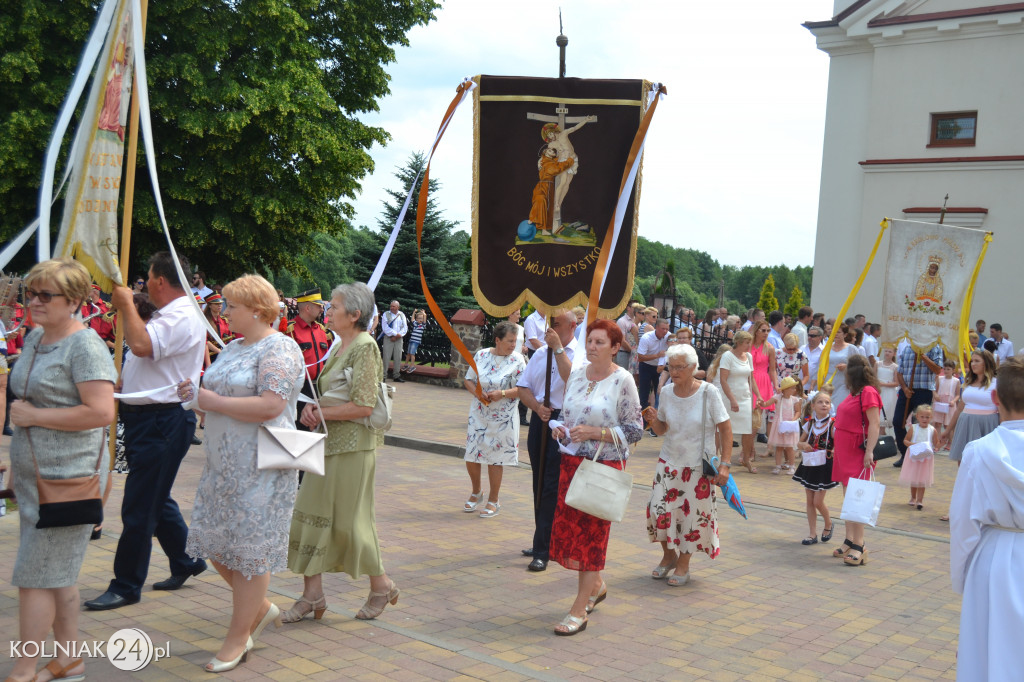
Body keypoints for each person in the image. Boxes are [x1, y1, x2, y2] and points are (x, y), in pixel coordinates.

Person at [182, 275, 304, 673]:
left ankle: (238, 638)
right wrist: (197, 400)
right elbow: (218, 397)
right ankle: (261, 607)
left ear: (257, 309)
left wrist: (211, 400)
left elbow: (271, 405)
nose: (224, 310)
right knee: (216, 543)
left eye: (231, 305)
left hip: (260, 467)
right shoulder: (233, 346)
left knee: (249, 553)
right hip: (222, 463)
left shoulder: (280, 347)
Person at [5, 259, 117, 682]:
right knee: (56, 576)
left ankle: (24, 668)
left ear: (73, 301)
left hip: (69, 478)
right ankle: (69, 659)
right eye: (30, 293)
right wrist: (17, 468)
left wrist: (33, 418)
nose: (33, 302)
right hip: (36, 476)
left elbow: (101, 412)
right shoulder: (36, 338)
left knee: (34, 575)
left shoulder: (85, 346)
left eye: (44, 295)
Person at [85, 251, 207, 611]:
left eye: (149, 277)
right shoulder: (171, 314)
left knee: (139, 507)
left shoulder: (182, 314)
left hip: (163, 420)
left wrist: (125, 305)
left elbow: (141, 345)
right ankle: (187, 560)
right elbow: (143, 356)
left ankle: (126, 585)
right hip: (148, 418)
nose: (146, 283)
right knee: (155, 496)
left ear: (160, 281)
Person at [285, 282, 398, 623]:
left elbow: (364, 406)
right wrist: (312, 410)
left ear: (355, 315)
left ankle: (381, 584)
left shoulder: (364, 347)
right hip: (327, 444)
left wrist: (321, 413)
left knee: (351, 523)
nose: (327, 310)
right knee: (307, 516)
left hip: (353, 448)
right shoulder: (339, 344)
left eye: (333, 306)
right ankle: (312, 595)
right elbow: (330, 397)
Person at [548, 319, 642, 635]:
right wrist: (561, 430)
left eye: (600, 342)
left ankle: (578, 610)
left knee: (591, 538)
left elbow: (635, 430)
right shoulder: (576, 375)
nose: (591, 346)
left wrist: (595, 433)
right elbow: (568, 416)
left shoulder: (623, 380)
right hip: (571, 464)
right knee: (573, 536)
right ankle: (596, 586)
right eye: (590, 340)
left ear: (616, 348)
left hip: (603, 468)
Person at [949, 357, 1024, 682]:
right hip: (998, 551)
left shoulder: (979, 452)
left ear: (995, 398)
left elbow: (963, 523)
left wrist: (962, 576)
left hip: (996, 557)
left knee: (989, 652)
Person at [643, 343, 731, 588]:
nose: (674, 371)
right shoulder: (668, 392)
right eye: (671, 366)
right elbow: (662, 429)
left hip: (697, 466)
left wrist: (725, 464)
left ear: (693, 368)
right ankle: (669, 555)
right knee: (657, 511)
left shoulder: (708, 393)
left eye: (680, 367)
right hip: (669, 461)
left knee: (691, 518)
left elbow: (725, 427)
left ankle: (684, 563)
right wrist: (652, 420)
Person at [517, 310, 578, 571]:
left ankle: (543, 548)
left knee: (553, 484)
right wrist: (536, 407)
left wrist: (559, 349)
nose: (549, 329)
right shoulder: (540, 354)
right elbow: (523, 387)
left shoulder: (580, 355)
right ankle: (542, 536)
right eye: (548, 324)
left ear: (572, 326)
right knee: (539, 480)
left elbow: (572, 381)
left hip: (563, 423)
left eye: (555, 324)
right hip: (540, 421)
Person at [462, 321, 527, 518]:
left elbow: (524, 389)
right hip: (479, 414)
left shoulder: (518, 360)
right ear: (497, 340)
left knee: (495, 459)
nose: (513, 345)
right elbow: (468, 379)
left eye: (515, 341)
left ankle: (494, 499)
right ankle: (476, 492)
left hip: (504, 417)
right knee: (472, 454)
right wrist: (478, 394)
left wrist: (504, 393)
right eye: (509, 341)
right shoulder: (481, 355)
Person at [830, 354, 881, 566]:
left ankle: (860, 544)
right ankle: (850, 538)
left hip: (856, 451)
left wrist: (869, 451)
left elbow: (874, 424)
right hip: (844, 450)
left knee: (857, 498)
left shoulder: (868, 392)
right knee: (848, 497)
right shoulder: (855, 393)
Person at [793, 392, 838, 545]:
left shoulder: (833, 424)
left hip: (825, 465)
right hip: (811, 463)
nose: (824, 404)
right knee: (809, 500)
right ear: (813, 406)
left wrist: (833, 450)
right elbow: (799, 443)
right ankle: (812, 534)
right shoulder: (810, 424)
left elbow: (839, 443)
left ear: (831, 406)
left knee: (818, 501)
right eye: (820, 402)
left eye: (827, 402)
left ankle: (829, 523)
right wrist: (804, 445)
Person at [286, 289, 334, 430]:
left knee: (321, 427)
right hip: (301, 388)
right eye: (318, 305)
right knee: (303, 427)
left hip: (321, 387)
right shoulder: (290, 330)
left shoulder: (322, 330)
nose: (321, 309)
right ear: (308, 307)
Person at [892, 342, 943, 468]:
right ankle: (905, 454)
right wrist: (904, 388)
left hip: (923, 391)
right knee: (898, 421)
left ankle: (919, 455)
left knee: (919, 426)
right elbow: (900, 372)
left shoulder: (934, 348)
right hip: (907, 390)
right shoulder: (907, 348)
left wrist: (923, 356)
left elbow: (937, 369)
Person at [942, 350, 999, 464]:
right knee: (963, 462)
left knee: (984, 463)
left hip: (987, 425)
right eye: (972, 361)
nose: (973, 364)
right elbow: (959, 409)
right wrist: (947, 431)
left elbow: (1002, 409)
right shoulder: (968, 382)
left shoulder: (997, 383)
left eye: (977, 361)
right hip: (966, 424)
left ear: (986, 363)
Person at [719, 331, 763, 474]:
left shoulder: (748, 357)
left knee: (748, 431)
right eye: (747, 342)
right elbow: (723, 380)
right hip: (729, 398)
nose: (749, 345)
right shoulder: (727, 356)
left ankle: (746, 459)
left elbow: (751, 378)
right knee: (725, 430)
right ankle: (723, 459)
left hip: (745, 398)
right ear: (738, 342)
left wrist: (758, 395)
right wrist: (732, 399)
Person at [899, 404, 937, 512]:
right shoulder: (913, 428)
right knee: (914, 478)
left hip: (926, 459)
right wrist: (913, 444)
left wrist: (938, 445)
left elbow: (936, 443)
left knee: (922, 479)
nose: (925, 419)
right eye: (922, 417)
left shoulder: (932, 430)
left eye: (927, 417)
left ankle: (920, 500)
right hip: (914, 457)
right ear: (917, 416)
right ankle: (913, 497)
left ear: (931, 417)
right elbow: (905, 440)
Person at [762, 376, 803, 474]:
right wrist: (761, 403)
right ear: (786, 389)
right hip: (779, 425)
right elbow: (766, 404)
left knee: (789, 447)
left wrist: (792, 420)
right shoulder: (777, 397)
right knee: (779, 447)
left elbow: (798, 411)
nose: (794, 389)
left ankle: (792, 466)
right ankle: (777, 466)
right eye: (792, 387)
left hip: (789, 425)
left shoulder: (795, 400)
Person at [750, 321, 777, 443]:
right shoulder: (748, 345)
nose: (766, 333)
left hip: (762, 381)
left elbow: (772, 370)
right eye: (763, 330)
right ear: (756, 331)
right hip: (748, 379)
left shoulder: (770, 348)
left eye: (768, 331)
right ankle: (749, 449)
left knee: (756, 416)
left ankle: (747, 450)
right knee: (747, 416)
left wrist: (775, 385)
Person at [636, 318, 671, 413]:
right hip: (646, 366)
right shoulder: (646, 338)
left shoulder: (669, 336)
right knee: (644, 392)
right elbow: (640, 357)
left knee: (659, 392)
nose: (665, 331)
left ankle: (658, 417)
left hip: (660, 368)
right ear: (656, 327)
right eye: (663, 329)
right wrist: (657, 355)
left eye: (667, 329)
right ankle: (642, 417)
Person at [822, 324, 856, 406]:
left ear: (845, 334)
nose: (836, 334)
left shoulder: (851, 348)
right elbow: (820, 365)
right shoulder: (827, 347)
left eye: (839, 332)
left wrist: (847, 366)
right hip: (828, 383)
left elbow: (860, 365)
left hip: (843, 383)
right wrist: (813, 383)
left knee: (840, 406)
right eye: (834, 332)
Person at [932, 358, 960, 444]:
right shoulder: (939, 379)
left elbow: (958, 394)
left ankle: (950, 443)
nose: (946, 371)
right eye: (945, 369)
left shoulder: (956, 381)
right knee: (938, 423)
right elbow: (934, 389)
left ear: (953, 370)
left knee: (948, 425)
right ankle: (938, 442)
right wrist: (935, 395)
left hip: (949, 404)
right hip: (939, 403)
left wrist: (953, 401)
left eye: (948, 369)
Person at [381, 300, 407, 382]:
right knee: (386, 357)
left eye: (393, 306)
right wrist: (396, 334)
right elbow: (385, 328)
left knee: (398, 357)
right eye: (391, 306)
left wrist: (398, 336)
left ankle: (396, 376)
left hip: (399, 339)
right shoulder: (386, 314)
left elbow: (405, 327)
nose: (391, 308)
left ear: (398, 307)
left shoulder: (402, 315)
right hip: (389, 338)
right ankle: (383, 376)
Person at [875, 347, 899, 432]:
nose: (887, 353)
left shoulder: (895, 367)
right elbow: (873, 377)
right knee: (876, 415)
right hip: (878, 391)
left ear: (894, 354)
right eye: (886, 351)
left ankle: (882, 436)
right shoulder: (877, 364)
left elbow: (896, 383)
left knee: (885, 416)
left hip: (889, 393)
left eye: (890, 351)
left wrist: (884, 384)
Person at [203, 292, 231, 362]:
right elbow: (204, 341)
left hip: (224, 354)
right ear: (209, 305)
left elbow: (229, 337)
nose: (219, 306)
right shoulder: (205, 321)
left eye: (220, 303)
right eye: (216, 304)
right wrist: (218, 351)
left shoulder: (224, 320)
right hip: (210, 356)